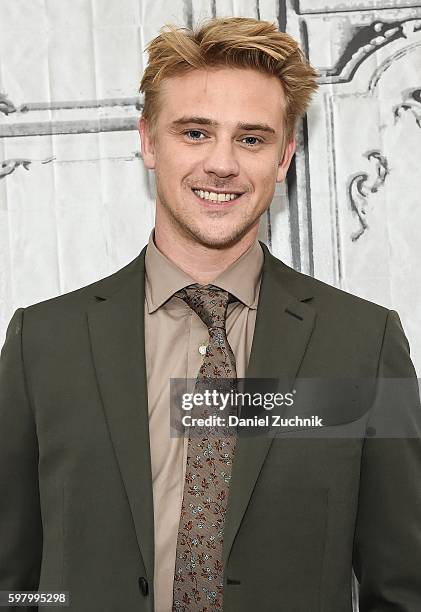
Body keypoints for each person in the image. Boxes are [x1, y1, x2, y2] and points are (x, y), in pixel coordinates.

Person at [0, 16, 420, 612]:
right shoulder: (41, 343)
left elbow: (404, 587)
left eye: (251, 139)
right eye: (195, 133)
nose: (222, 164)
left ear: (284, 156)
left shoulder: (364, 345)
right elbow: (11, 582)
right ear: (148, 141)